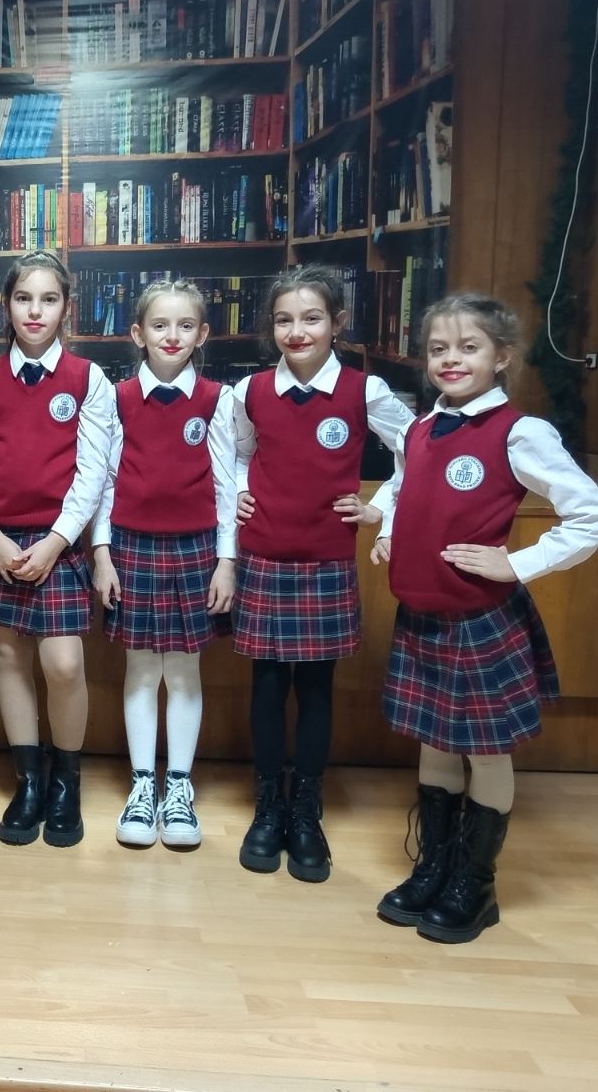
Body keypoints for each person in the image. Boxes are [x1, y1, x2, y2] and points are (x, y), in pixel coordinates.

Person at [370, 293, 598, 942]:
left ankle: (474, 886)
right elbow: (402, 487)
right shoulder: (419, 428)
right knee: (434, 742)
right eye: (438, 349)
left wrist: (519, 563)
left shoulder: (519, 432)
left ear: (502, 356)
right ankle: (433, 867)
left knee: (484, 751)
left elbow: (595, 516)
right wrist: (389, 530)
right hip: (422, 612)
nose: (451, 360)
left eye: (469, 347)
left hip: (479, 617)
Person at [230, 265, 414, 882]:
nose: (297, 331)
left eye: (311, 318)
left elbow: (420, 449)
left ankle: (306, 808)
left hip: (326, 560)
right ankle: (268, 805)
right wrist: (238, 491)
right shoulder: (251, 390)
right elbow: (237, 452)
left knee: (314, 689)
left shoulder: (365, 390)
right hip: (263, 553)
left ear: (337, 322)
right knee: (266, 685)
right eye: (284, 319)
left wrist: (380, 509)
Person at [0, 250, 111, 847]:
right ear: (7, 305)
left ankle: (66, 781)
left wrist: (57, 541)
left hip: (57, 543)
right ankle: (28, 782)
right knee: (8, 657)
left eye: (48, 299)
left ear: (66, 307)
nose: (35, 311)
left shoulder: (88, 379)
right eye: (23, 298)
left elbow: (93, 472)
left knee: (63, 663)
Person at [92, 280, 236, 849]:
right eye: (159, 325)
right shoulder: (118, 397)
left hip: (196, 549)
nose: (171, 336)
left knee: (182, 671)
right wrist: (102, 554)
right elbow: (104, 482)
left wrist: (226, 561)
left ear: (202, 335)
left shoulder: (218, 399)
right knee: (141, 670)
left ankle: (178, 786)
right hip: (131, 547)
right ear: (137, 334)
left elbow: (227, 487)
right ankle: (141, 784)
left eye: (184, 326)